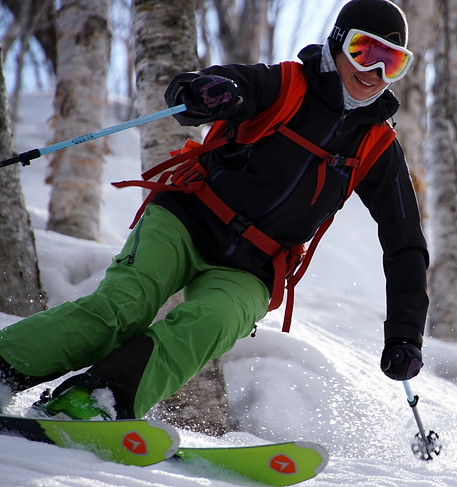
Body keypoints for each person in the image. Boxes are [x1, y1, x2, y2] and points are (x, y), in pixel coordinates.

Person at [0, 0, 429, 421]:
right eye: (365, 52)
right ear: (337, 44)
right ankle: (5, 367)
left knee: (211, 321)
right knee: (123, 308)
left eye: (391, 63)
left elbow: (405, 240)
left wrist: (405, 337)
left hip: (255, 264)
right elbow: (206, 88)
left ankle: (95, 404)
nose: (374, 73)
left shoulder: (377, 147)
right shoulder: (284, 84)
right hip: (189, 219)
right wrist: (206, 93)